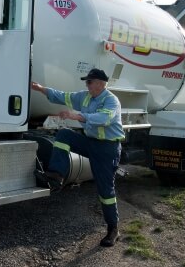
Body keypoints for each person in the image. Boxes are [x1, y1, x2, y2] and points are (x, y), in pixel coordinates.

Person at [31, 68, 125, 247]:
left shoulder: (112, 101)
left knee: (106, 191)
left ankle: (113, 229)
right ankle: (57, 175)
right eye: (86, 82)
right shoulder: (84, 96)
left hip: (107, 149)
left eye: (89, 82)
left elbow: (104, 119)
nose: (86, 85)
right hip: (91, 143)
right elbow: (63, 96)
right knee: (64, 135)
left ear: (100, 83)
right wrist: (41, 89)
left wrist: (77, 116)